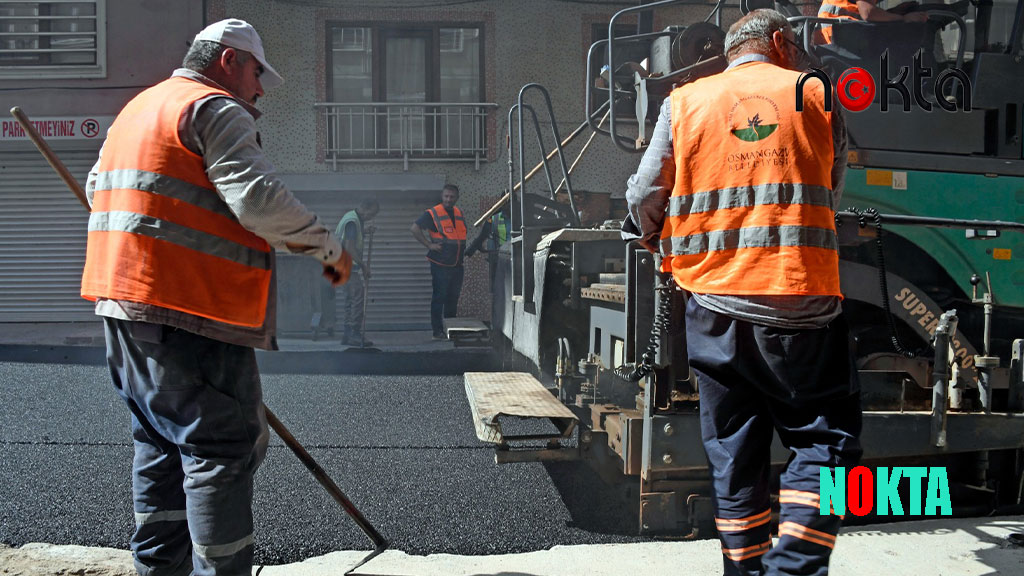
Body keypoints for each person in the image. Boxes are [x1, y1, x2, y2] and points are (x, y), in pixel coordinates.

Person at [80, 18, 351, 576]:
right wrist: (327, 249)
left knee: (159, 442)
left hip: (123, 307)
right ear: (228, 60)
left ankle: (160, 568)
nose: (257, 91)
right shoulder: (213, 107)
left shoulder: (140, 109)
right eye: (256, 73)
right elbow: (257, 200)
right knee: (221, 448)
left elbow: (96, 189)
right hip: (190, 310)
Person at [622, 10, 862, 576]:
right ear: (779, 41)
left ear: (729, 51)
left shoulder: (683, 102)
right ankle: (793, 568)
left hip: (714, 305)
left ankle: (746, 571)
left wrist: (657, 235)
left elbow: (642, 194)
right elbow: (831, 185)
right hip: (801, 303)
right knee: (823, 447)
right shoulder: (816, 94)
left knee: (733, 455)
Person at [410, 184, 466, 340]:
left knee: (453, 299)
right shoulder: (433, 213)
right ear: (442, 196)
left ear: (457, 198)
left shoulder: (458, 213)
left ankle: (450, 330)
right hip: (440, 264)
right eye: (446, 196)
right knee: (439, 298)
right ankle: (437, 332)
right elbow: (414, 228)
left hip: (456, 264)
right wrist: (429, 245)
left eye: (452, 196)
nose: (449, 199)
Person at [336, 198, 380, 346]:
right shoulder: (352, 222)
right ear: (363, 207)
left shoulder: (352, 218)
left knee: (350, 298)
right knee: (358, 297)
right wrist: (363, 266)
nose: (371, 217)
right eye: (371, 214)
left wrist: (365, 231)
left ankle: (347, 334)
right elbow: (349, 247)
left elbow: (352, 238)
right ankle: (354, 333)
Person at [818, 0, 929, 43]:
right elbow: (868, 13)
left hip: (837, 38)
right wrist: (904, 19)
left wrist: (894, 12)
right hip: (845, 39)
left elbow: (862, 12)